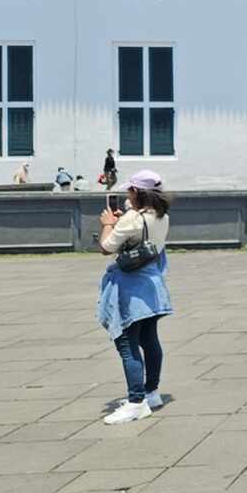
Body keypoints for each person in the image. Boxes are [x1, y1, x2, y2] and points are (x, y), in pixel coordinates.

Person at [96, 170, 172, 424]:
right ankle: (152, 392)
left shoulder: (132, 218)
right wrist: (122, 223)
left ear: (137, 193)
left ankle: (136, 401)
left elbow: (106, 248)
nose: (127, 193)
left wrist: (108, 224)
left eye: (130, 189)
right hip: (153, 284)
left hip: (131, 288)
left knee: (128, 344)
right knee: (150, 339)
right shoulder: (161, 217)